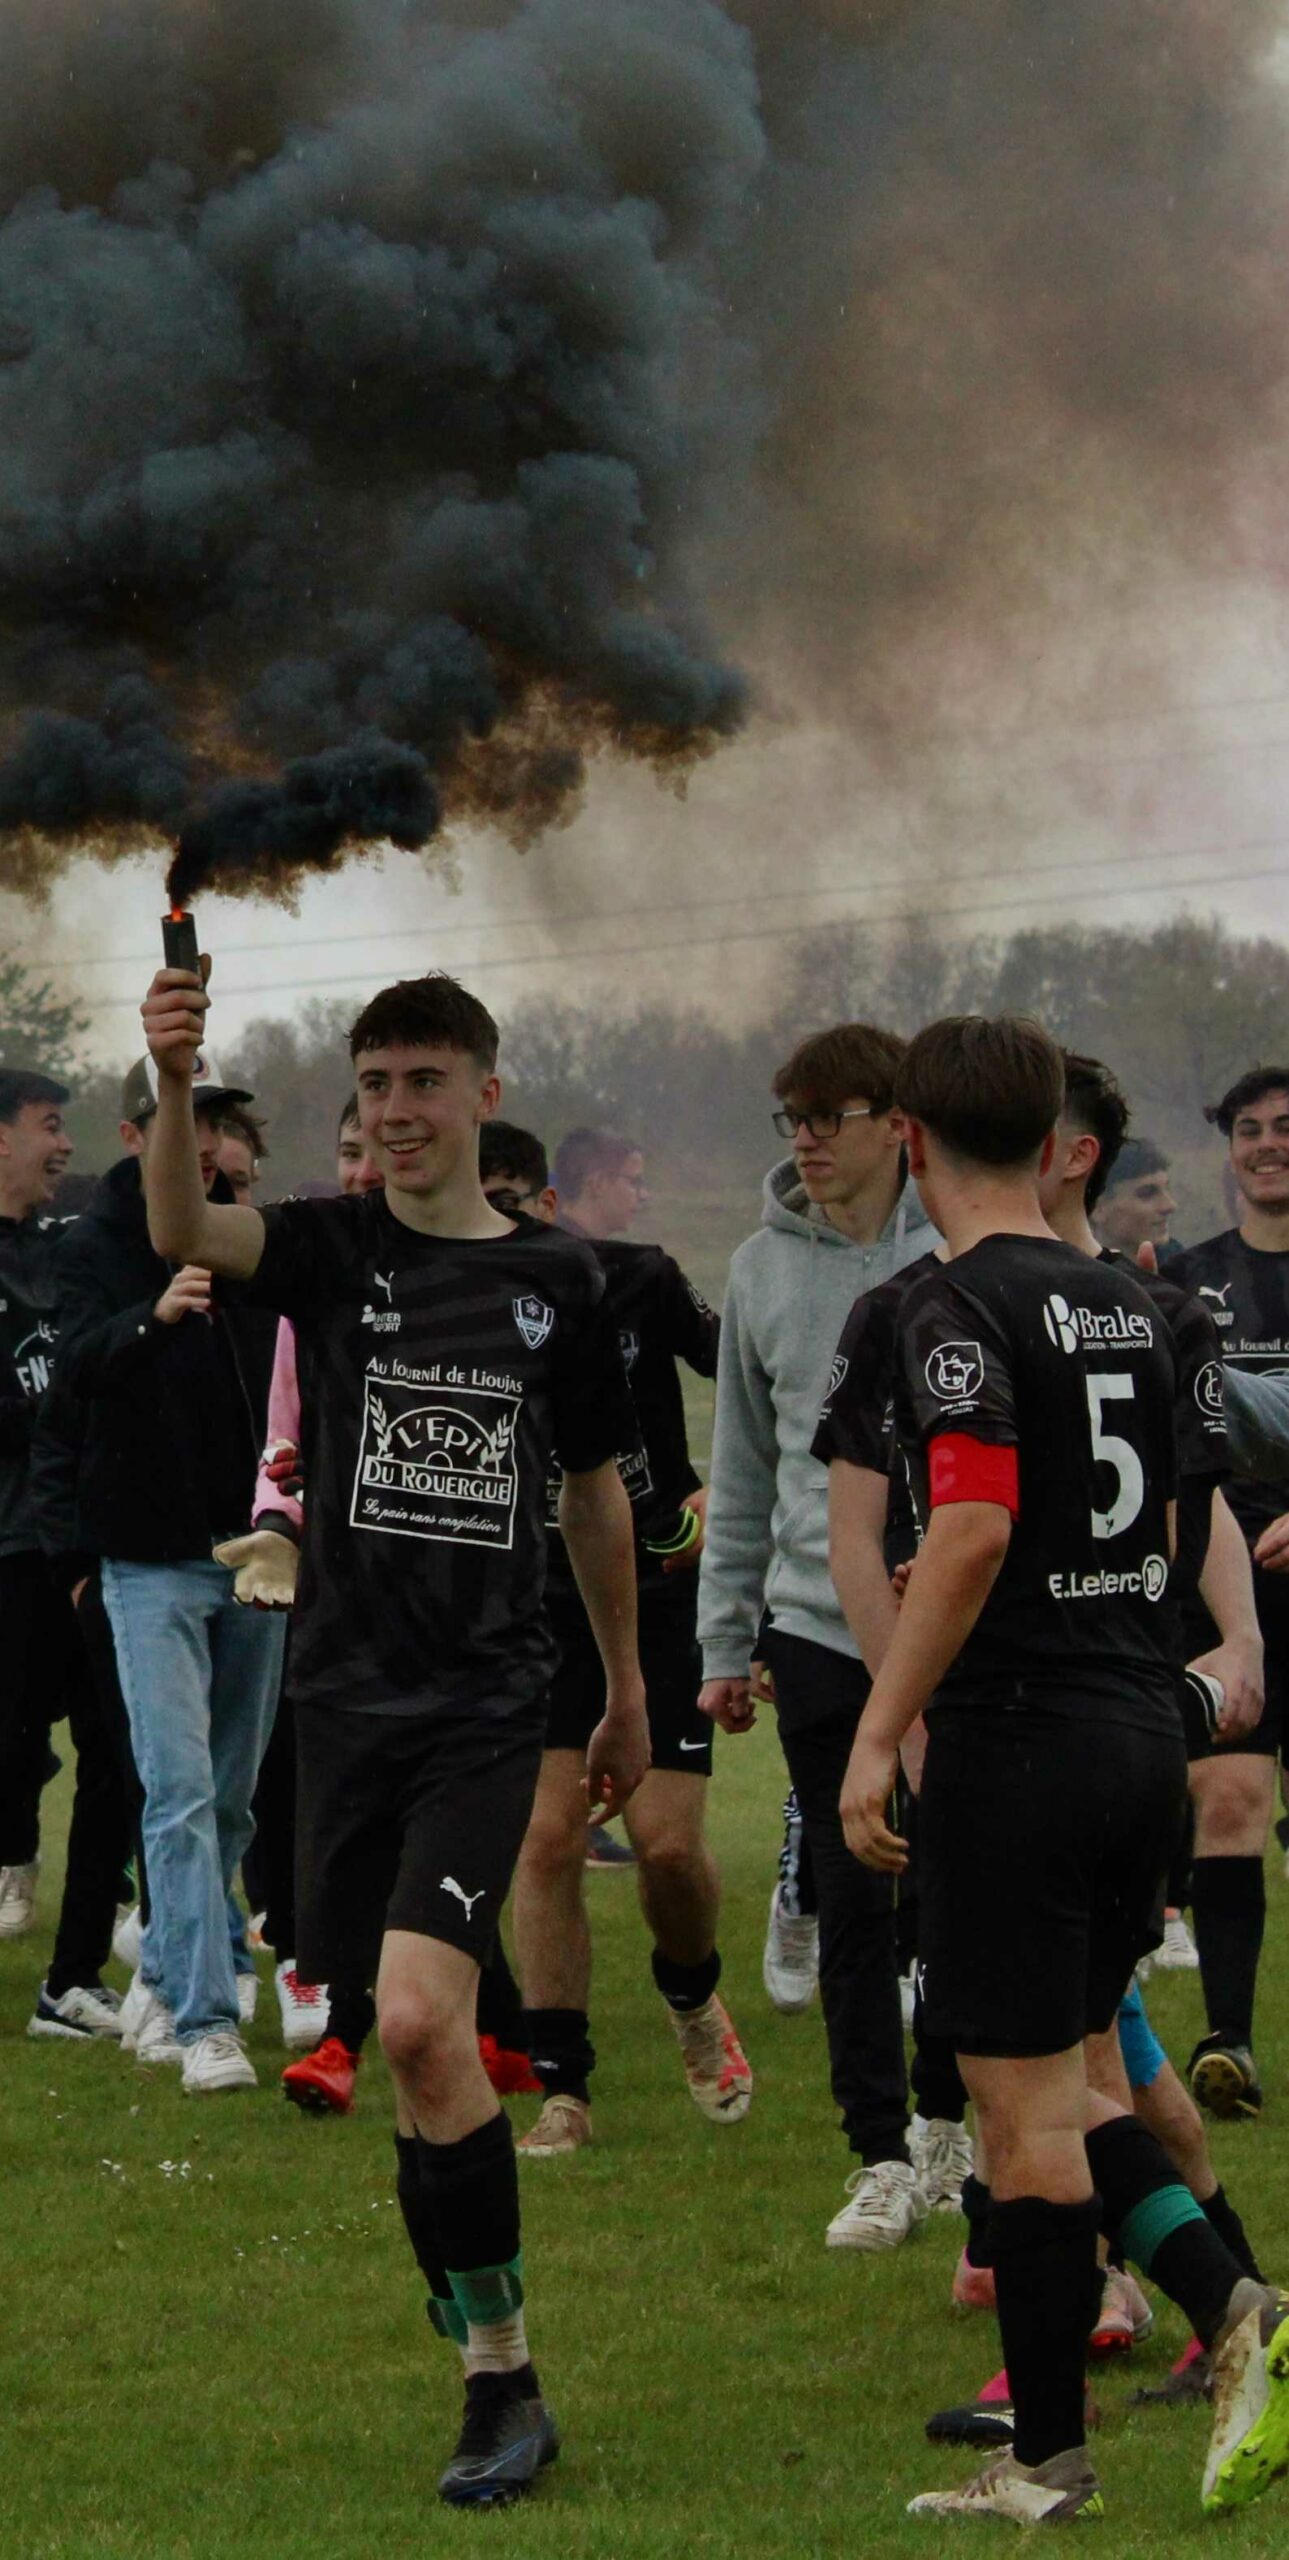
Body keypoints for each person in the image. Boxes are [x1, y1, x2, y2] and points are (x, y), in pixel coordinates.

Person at [139, 955, 649, 2509]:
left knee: (424, 2026)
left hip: (484, 1710)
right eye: (374, 1086)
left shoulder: (561, 1282)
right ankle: (483, 2334)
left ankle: (501, 2380)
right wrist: (175, 1078)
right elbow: (181, 1227)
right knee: (412, 2055)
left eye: (426, 1081)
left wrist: (624, 1686)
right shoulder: (329, 1246)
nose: (397, 1109)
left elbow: (591, 1494)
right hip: (340, 1711)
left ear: (486, 1094)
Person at [838, 1013, 1287, 2524]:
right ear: (1051, 1143)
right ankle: (1199, 2332)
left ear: (911, 1140)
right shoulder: (1134, 1300)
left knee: (1023, 2107)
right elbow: (1171, 1520)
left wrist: (881, 1727)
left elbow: (967, 1527)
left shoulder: (945, 1303)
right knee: (1058, 2079)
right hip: (1134, 1729)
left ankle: (1079, 2439)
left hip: (1017, 1741)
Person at [698, 1021, 935, 2250]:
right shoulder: (758, 1267)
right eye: (789, 1117)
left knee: (956, 1893)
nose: (802, 1139)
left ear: (895, 1124)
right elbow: (741, 1469)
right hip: (813, 1628)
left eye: (825, 1116)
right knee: (851, 1901)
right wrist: (720, 1646)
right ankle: (879, 2154)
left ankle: (952, 2125)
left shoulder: (958, 1252)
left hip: (956, 1626)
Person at [485, 1122, 747, 2154]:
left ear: (551, 1201)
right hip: (538, 1600)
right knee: (546, 1839)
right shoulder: (459, 1304)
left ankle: (691, 1992)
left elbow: (748, 1373)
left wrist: (726, 1496)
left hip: (661, 1587)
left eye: (513, 1202)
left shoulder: (641, 1277)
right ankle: (564, 2091)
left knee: (666, 1847)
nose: (498, 1223)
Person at [52, 1048, 284, 2093]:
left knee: (229, 1802)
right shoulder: (94, 1239)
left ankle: (166, 1962)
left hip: (255, 1555)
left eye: (221, 1125)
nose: (210, 1144)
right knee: (179, 1792)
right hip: (145, 1560)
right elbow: (70, 1372)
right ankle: (205, 2022)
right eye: (190, 1122)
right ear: (136, 1134)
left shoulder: (251, 1237)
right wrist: (153, 1317)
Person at [0, 1066, 135, 2040]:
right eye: (50, 1125)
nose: (64, 1145)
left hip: (84, 1546)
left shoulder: (71, 1252)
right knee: (11, 1756)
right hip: (8, 1552)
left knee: (116, 1756)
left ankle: (73, 1979)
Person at [1170, 1067, 1289, 2116]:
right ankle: (1228, 2042)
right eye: (1247, 1129)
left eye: (1284, 1127)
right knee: (1225, 1797)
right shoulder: (1186, 1280)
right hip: (1223, 1585)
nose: (1265, 1144)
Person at [1091, 1137, 1180, 1263]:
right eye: (1147, 1194)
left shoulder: (1186, 1268)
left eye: (1167, 1188)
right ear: (1098, 1208)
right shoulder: (1070, 1271)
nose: (1170, 1205)